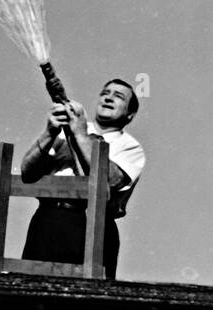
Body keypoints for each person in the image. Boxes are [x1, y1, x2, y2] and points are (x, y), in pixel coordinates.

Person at [18, 79, 144, 279]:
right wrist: (49, 133)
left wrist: (80, 134)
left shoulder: (129, 147)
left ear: (130, 114)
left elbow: (110, 181)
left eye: (118, 96)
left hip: (92, 229)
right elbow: (27, 173)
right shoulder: (66, 133)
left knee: (85, 301)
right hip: (48, 221)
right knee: (33, 290)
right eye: (105, 93)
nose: (108, 98)